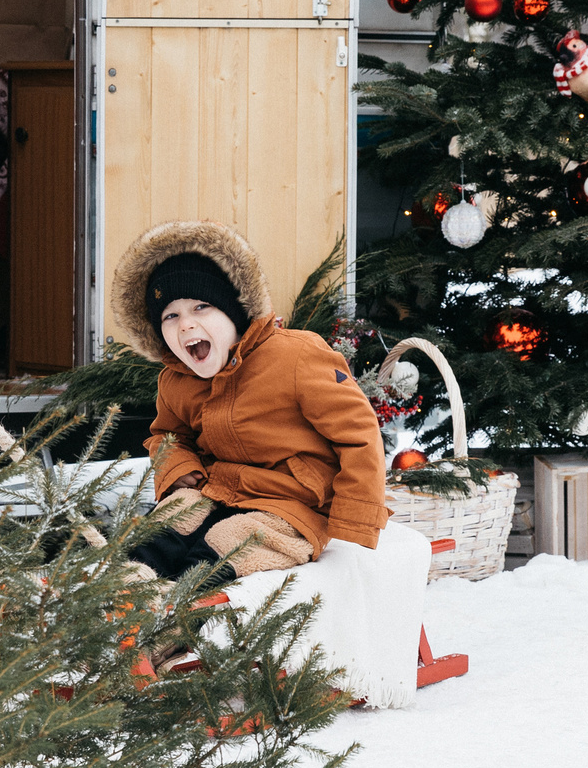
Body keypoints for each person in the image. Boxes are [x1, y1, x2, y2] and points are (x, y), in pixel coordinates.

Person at [107, 221, 388, 584]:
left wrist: (356, 516)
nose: (186, 325)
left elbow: (359, 434)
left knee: (228, 547)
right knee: (165, 527)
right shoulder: (175, 380)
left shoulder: (296, 356)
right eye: (171, 315)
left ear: (234, 312)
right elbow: (167, 434)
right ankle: (119, 599)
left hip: (290, 503)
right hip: (213, 490)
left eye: (201, 307)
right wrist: (178, 467)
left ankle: (174, 621)